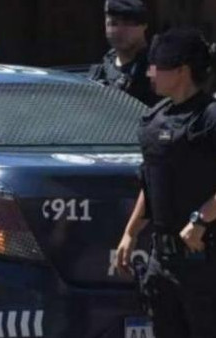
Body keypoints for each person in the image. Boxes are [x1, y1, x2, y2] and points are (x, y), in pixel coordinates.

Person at [114, 28, 216, 338]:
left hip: (205, 258)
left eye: (157, 66)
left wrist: (201, 219)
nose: (150, 72)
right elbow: (152, 180)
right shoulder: (156, 119)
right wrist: (131, 233)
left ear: (182, 70)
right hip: (164, 259)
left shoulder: (209, 118)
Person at [89, 0, 160, 107]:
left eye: (128, 24)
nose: (119, 31)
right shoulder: (106, 63)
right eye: (113, 24)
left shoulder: (154, 66)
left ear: (144, 25)